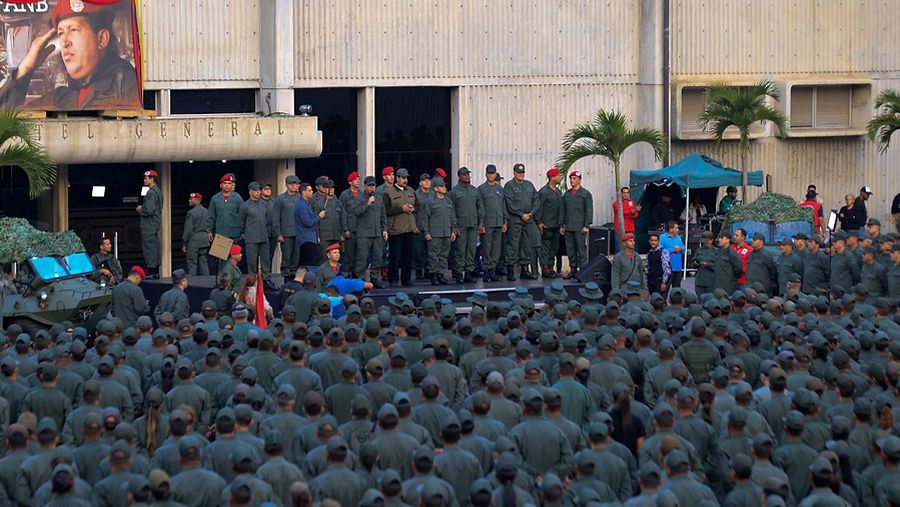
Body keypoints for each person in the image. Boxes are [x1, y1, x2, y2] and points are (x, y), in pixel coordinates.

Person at [0, 0, 140, 110]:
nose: (64, 42)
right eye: (60, 33)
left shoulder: (129, 87)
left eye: (73, 30)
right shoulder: (59, 98)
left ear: (102, 39)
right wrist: (25, 68)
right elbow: (7, 124)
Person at [504, 163, 539, 281]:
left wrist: (531, 213)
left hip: (528, 219)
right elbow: (510, 203)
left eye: (522, 172)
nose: (521, 175)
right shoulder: (509, 185)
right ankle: (510, 270)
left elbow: (536, 199)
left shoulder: (529, 185)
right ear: (514, 173)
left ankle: (525, 269)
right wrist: (520, 214)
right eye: (519, 172)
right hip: (516, 220)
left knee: (526, 245)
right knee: (513, 245)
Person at [449, 167, 484, 283]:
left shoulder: (474, 190)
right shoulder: (454, 192)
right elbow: (451, 210)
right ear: (459, 176)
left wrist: (481, 223)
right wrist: (454, 226)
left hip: (473, 225)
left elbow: (480, 207)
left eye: (468, 174)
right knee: (460, 250)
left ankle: (468, 272)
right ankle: (458, 273)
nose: (467, 176)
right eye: (464, 175)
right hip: (461, 225)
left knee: (471, 250)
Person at [384, 168, 418, 286]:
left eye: (406, 178)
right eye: (403, 178)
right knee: (395, 256)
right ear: (397, 178)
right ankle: (393, 278)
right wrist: (401, 209)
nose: (405, 180)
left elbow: (417, 205)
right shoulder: (389, 192)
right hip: (396, 229)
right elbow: (386, 210)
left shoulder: (411, 190)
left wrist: (413, 209)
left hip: (409, 227)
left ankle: (406, 278)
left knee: (408, 255)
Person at [422, 177, 458, 285]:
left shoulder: (448, 200)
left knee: (443, 255)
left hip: (446, 232)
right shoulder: (430, 201)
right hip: (435, 233)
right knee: (433, 255)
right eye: (441, 186)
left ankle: (440, 274)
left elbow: (452, 216)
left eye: (444, 186)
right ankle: (433, 274)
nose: (444, 188)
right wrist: (426, 232)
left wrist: (453, 230)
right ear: (436, 188)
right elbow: (425, 218)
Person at [354, 176, 388, 289]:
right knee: (362, 258)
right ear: (365, 186)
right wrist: (367, 204)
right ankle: (361, 279)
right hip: (363, 233)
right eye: (369, 186)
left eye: (373, 185)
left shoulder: (379, 198)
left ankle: (374, 277)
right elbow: (356, 212)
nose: (371, 188)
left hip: (377, 232)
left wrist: (385, 229)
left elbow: (383, 215)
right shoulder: (359, 197)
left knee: (378, 257)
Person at [206, 173, 245, 268]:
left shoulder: (238, 198)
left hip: (235, 234)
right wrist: (209, 230)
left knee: (234, 258)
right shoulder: (215, 199)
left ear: (232, 185)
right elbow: (211, 216)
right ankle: (221, 281)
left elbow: (243, 216)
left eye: (229, 183)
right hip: (221, 233)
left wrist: (244, 231)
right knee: (221, 260)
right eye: (225, 183)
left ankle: (234, 279)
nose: (227, 185)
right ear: (221, 185)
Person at [561, 170, 593, 279]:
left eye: (574, 178)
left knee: (581, 249)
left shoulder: (585, 194)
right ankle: (573, 269)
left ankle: (583, 271)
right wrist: (562, 225)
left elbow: (589, 210)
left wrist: (587, 225)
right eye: (571, 178)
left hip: (580, 227)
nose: (572, 180)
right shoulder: (567, 194)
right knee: (570, 250)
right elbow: (563, 210)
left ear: (579, 180)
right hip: (569, 226)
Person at [479, 164, 507, 282]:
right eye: (489, 173)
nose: (491, 175)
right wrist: (480, 223)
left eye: (493, 173)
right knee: (486, 248)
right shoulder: (481, 189)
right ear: (486, 174)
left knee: (496, 249)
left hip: (499, 222)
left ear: (495, 174)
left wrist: (505, 222)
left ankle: (492, 270)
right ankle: (486, 271)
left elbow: (503, 206)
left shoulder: (500, 189)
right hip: (487, 223)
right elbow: (480, 207)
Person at [535, 167, 564, 279]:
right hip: (547, 225)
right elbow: (538, 208)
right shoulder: (544, 192)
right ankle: (545, 269)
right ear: (552, 178)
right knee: (545, 249)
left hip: (556, 225)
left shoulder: (558, 192)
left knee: (554, 248)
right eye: (558, 175)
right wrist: (539, 222)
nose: (560, 177)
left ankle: (551, 268)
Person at [240, 182, 272, 280]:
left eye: (259, 190)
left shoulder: (264, 204)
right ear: (250, 192)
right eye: (256, 191)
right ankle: (252, 281)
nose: (258, 192)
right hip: (251, 237)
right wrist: (244, 232)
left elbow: (268, 219)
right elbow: (241, 221)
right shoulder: (245, 206)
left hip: (264, 236)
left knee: (266, 260)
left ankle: (266, 279)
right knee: (252, 261)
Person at [274, 175, 302, 276]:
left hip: (299, 232)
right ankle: (286, 277)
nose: (295, 186)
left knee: (297, 256)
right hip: (286, 233)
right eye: (293, 184)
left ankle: (295, 277)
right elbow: (276, 217)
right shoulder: (280, 199)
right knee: (286, 257)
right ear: (287, 185)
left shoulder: (301, 197)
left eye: (297, 183)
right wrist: (278, 233)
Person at [315, 179, 347, 263]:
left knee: (336, 257)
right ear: (324, 189)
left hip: (336, 234)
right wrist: (317, 235)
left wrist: (343, 231)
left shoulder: (338, 203)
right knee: (324, 257)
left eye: (332, 188)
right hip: (324, 235)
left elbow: (343, 218)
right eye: (329, 188)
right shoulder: (319, 203)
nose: (331, 190)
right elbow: (316, 221)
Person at [295, 182, 325, 267]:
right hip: (306, 239)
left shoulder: (307, 204)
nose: (312, 192)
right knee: (308, 263)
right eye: (310, 190)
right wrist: (319, 216)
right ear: (304, 192)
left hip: (311, 238)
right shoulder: (301, 205)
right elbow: (308, 222)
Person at [138, 169, 162, 279]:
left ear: (151, 179)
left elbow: (149, 210)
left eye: (146, 178)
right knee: (155, 245)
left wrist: (140, 209)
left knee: (149, 246)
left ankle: (151, 270)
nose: (144, 180)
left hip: (149, 224)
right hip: (154, 223)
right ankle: (155, 269)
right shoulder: (158, 191)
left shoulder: (151, 192)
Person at [339, 172, 363, 278]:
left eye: (358, 179)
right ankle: (347, 275)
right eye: (355, 179)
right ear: (350, 182)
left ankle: (357, 274)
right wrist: (344, 229)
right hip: (350, 227)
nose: (358, 181)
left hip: (361, 228)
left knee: (360, 254)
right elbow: (342, 212)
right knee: (349, 254)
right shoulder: (344, 195)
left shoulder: (362, 194)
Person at [182, 192, 210, 276]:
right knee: (203, 261)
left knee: (192, 262)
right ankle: (207, 281)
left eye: (191, 199)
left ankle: (192, 282)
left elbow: (188, 230)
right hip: (204, 239)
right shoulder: (206, 211)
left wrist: (184, 243)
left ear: (198, 200)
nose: (189, 200)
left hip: (194, 240)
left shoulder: (191, 213)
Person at [413, 172, 434, 280]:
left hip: (431, 227)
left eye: (428, 180)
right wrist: (413, 226)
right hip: (419, 226)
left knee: (429, 251)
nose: (427, 182)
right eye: (425, 180)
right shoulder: (415, 194)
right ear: (420, 183)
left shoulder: (433, 194)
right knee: (418, 251)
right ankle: (418, 269)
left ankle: (428, 269)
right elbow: (412, 212)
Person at [659, 221, 686, 288]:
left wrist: (680, 249)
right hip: (667, 268)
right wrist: (672, 250)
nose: (678, 230)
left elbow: (684, 248)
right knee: (665, 289)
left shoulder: (678, 237)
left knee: (677, 289)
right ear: (671, 229)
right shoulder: (662, 237)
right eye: (676, 228)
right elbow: (660, 250)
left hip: (678, 267)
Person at [692, 230, 716, 296]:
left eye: (706, 241)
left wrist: (708, 265)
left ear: (711, 240)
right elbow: (693, 261)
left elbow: (718, 266)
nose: (705, 243)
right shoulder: (699, 250)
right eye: (703, 241)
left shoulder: (716, 251)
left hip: (711, 282)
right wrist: (695, 263)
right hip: (700, 281)